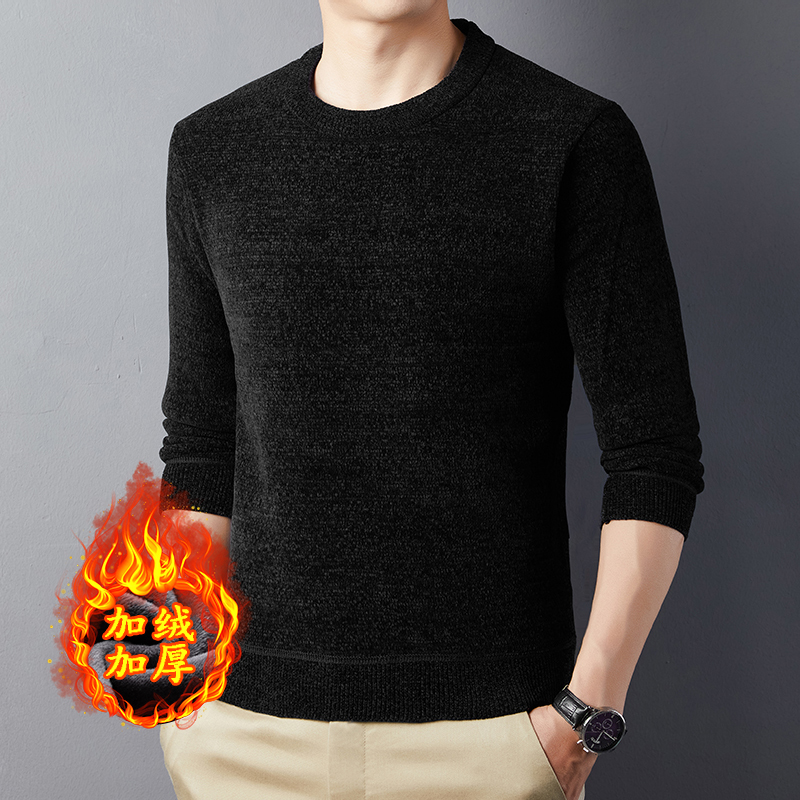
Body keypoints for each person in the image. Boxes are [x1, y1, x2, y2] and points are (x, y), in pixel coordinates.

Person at [156, 2, 705, 799]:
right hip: (240, 732)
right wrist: (177, 682)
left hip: (494, 740)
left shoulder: (572, 138)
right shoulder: (212, 149)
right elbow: (202, 449)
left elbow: (654, 454)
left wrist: (585, 713)